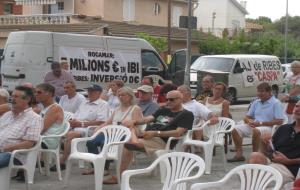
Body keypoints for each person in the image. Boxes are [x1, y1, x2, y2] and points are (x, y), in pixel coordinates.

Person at [117, 90, 194, 184]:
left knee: (127, 144)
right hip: (147, 134)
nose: (168, 102)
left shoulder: (187, 114)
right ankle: (120, 175)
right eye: (167, 99)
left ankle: (134, 141)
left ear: (180, 99)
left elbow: (178, 133)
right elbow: (148, 119)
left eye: (171, 99)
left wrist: (155, 133)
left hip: (162, 141)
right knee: (128, 127)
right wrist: (134, 122)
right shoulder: (163, 109)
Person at [82, 87, 143, 181]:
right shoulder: (117, 109)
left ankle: (104, 168)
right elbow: (108, 122)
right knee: (91, 142)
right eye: (119, 95)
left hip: (124, 134)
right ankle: (96, 166)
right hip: (111, 132)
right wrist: (99, 128)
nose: (120, 97)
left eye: (123, 95)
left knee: (105, 144)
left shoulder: (135, 108)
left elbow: (136, 125)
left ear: (130, 96)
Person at [53, 84, 109, 171]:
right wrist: (72, 122)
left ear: (99, 93)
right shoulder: (84, 103)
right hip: (77, 126)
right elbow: (76, 116)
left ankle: (62, 161)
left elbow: (101, 122)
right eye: (89, 91)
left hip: (91, 129)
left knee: (70, 135)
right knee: (55, 131)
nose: (89, 93)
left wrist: (81, 124)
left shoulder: (103, 104)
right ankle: (46, 158)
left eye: (92, 91)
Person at [228, 82, 284, 162]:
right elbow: (247, 116)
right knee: (235, 129)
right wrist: (249, 121)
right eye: (258, 91)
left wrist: (260, 123)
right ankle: (239, 154)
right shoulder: (256, 102)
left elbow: (280, 121)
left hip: (269, 127)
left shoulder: (276, 103)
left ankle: (254, 155)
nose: (259, 93)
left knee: (256, 130)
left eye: (262, 91)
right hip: (255, 125)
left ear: (269, 92)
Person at [248, 100, 300, 186]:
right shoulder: (283, 128)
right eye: (297, 106)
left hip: (291, 168)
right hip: (273, 163)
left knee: (261, 179)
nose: (297, 109)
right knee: (255, 156)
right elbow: (267, 152)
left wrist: (289, 161)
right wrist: (264, 142)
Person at [0, 86, 42, 180]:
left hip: (13, 154)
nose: (12, 99)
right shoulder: (7, 115)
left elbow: (29, 143)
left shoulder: (34, 118)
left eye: (16, 96)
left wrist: (8, 148)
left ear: (27, 99)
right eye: (12, 96)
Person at [35, 83, 65, 150]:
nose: (36, 94)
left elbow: (41, 129)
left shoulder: (54, 108)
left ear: (50, 94)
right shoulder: (45, 108)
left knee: (20, 143)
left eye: (39, 92)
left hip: (47, 141)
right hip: (41, 138)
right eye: (35, 92)